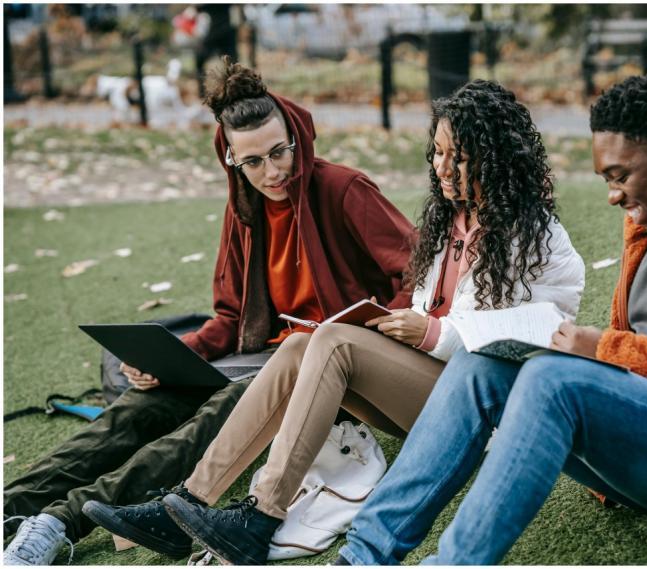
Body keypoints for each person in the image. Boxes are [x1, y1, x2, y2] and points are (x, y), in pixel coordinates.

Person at [333, 72, 647, 565]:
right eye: (606, 178)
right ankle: (363, 556)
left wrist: (601, 350)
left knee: (554, 380)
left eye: (620, 176)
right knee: (479, 364)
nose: (612, 195)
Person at [82, 79, 586, 565]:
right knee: (300, 346)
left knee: (333, 342)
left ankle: (259, 519)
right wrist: (401, 322)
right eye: (437, 152)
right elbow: (426, 302)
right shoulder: (449, 217)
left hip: (486, 414)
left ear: (497, 157)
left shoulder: (533, 233)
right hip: (432, 390)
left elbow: (539, 332)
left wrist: (431, 333)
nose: (444, 167)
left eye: (461, 157)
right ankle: (192, 501)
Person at [3, 58, 415, 566]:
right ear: (232, 161)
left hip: (327, 368)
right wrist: (175, 357)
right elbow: (228, 317)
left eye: (280, 151)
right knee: (141, 407)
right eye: (254, 161)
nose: (273, 171)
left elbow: (417, 274)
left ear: (296, 137)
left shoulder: (344, 190)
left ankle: (60, 522)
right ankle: (11, 506)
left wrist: (374, 327)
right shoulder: (244, 211)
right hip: (259, 356)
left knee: (208, 420)